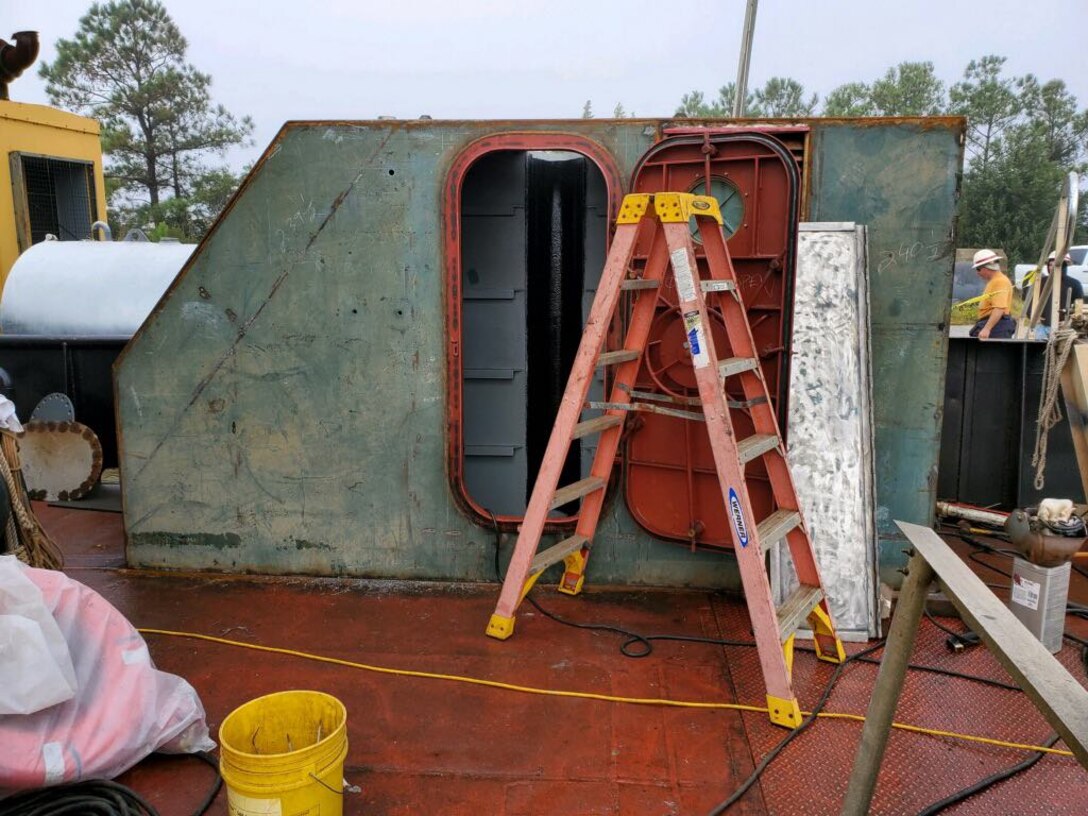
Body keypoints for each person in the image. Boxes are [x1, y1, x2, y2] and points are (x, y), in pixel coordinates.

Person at [1024, 251, 1084, 339]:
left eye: (1056, 265)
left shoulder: (1074, 284)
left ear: (1065, 266)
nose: (1052, 267)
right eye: (1050, 264)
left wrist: (1069, 321)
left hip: (1064, 328)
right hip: (1041, 328)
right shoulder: (1040, 283)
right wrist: (1034, 317)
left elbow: (1078, 309)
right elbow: (1029, 304)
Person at [969, 249, 1015, 339]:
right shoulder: (994, 281)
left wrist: (987, 329)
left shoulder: (999, 282)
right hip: (996, 326)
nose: (977, 273)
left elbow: (999, 308)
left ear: (986, 268)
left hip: (997, 328)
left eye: (978, 269)